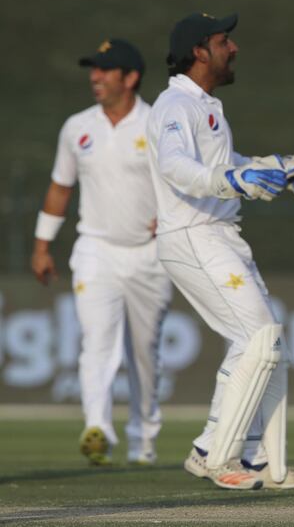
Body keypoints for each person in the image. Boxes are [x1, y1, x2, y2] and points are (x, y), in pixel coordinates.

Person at [147, 11, 294, 490]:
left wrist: (278, 169)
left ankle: (264, 461)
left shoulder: (206, 106)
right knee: (258, 337)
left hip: (220, 234)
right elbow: (176, 166)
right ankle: (213, 453)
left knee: (271, 347)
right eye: (225, 41)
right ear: (199, 51)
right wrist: (231, 179)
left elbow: (227, 166)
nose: (235, 48)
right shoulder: (172, 105)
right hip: (193, 233)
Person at [32, 39, 172, 466]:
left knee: (144, 352)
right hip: (96, 248)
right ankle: (98, 427)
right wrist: (42, 245)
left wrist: (169, 217)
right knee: (97, 341)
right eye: (93, 69)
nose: (95, 77)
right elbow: (61, 186)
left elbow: (183, 181)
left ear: (130, 78)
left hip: (150, 254)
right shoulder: (77, 127)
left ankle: (143, 436)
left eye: (105, 70)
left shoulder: (158, 124)